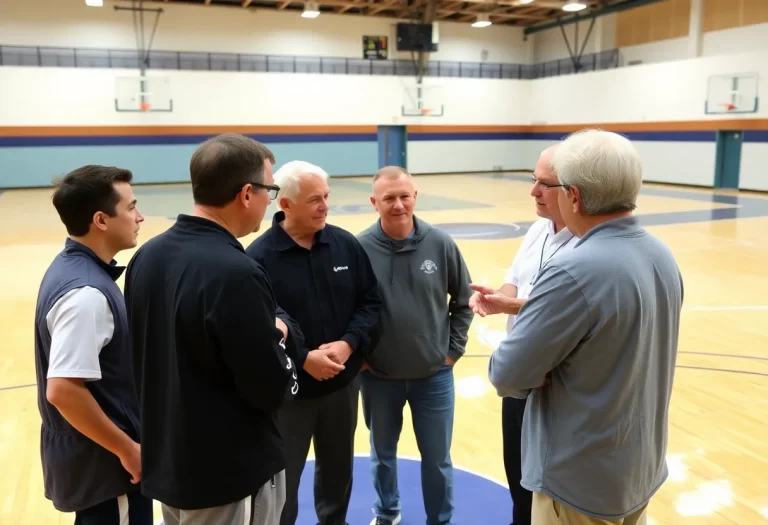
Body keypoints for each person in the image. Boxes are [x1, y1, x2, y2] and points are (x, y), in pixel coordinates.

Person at [486, 129, 684, 525]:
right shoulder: (661, 255)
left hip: (578, 484)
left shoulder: (573, 270)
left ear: (572, 195)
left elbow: (507, 374)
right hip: (636, 470)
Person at [123, 134, 301, 525]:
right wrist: (283, 336)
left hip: (170, 466)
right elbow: (269, 387)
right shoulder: (237, 272)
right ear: (246, 194)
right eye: (269, 190)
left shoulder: (146, 257)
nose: (270, 201)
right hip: (229, 477)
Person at [245, 160, 382, 525]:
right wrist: (303, 358)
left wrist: (350, 344)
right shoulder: (257, 259)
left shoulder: (345, 245)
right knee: (283, 480)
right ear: (285, 205)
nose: (324, 206)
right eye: (313, 200)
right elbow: (255, 326)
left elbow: (370, 302)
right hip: (289, 394)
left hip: (341, 386)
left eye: (326, 197)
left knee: (338, 472)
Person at [33, 165, 151, 525]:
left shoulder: (74, 269)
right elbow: (64, 391)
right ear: (101, 219)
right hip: (107, 470)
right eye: (131, 207)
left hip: (95, 464)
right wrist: (127, 449)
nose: (140, 216)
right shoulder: (86, 295)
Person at [356, 166, 474, 525]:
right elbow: (347, 309)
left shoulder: (440, 244)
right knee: (383, 455)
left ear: (415, 197)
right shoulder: (359, 248)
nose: (398, 204)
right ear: (374, 202)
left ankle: (440, 519)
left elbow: (465, 300)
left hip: (433, 376)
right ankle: (387, 511)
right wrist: (359, 356)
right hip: (378, 376)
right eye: (389, 198)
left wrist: (452, 352)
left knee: (438, 458)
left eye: (404, 196)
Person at [468, 145, 576, 525]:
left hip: (554, 388)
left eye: (543, 184)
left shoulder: (586, 247)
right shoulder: (536, 230)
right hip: (519, 380)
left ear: (572, 190)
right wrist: (499, 298)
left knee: (546, 493)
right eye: (533, 181)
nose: (533, 191)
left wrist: (511, 307)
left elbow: (564, 309)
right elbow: (515, 280)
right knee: (518, 483)